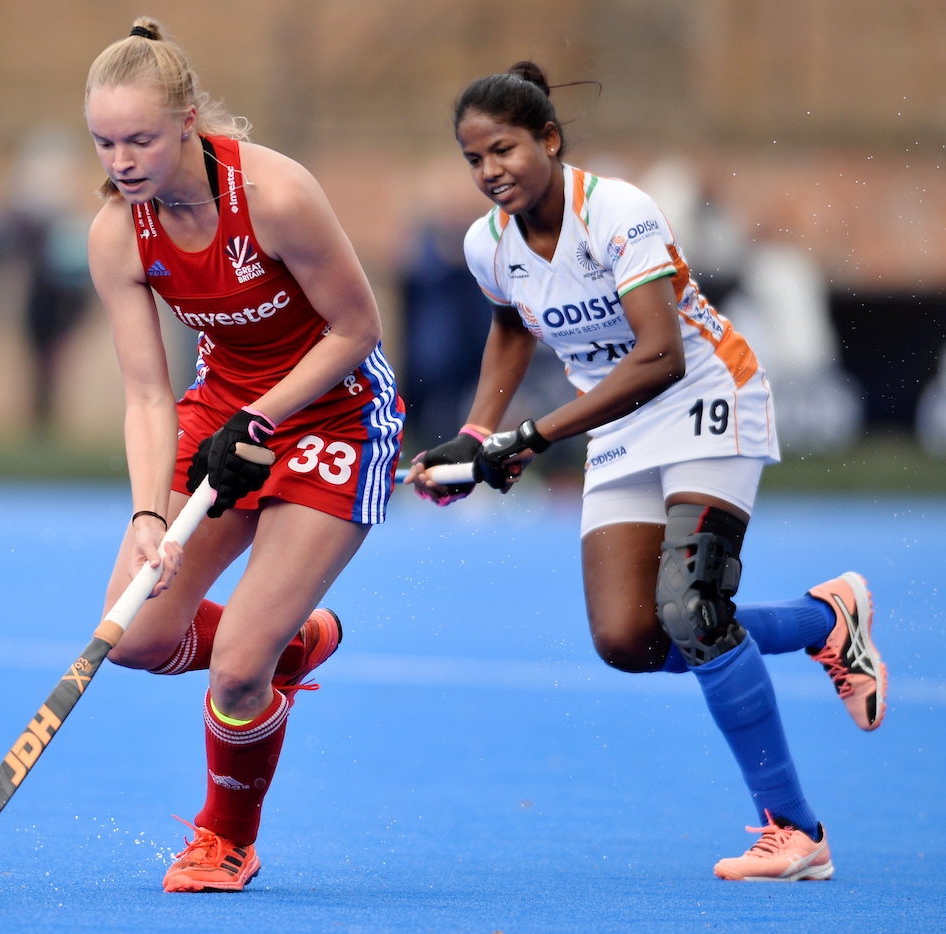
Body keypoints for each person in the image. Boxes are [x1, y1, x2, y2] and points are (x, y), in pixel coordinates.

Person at [407, 62, 885, 881]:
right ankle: (824, 622)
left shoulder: (619, 211)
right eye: (473, 158)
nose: (489, 170)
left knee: (694, 609)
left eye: (505, 149)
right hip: (618, 420)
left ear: (549, 140)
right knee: (628, 638)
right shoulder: (487, 243)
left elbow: (661, 356)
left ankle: (796, 833)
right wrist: (478, 433)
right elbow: (512, 326)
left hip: (706, 393)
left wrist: (527, 438)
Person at [84, 18, 403, 893]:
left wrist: (260, 418)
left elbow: (356, 328)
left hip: (337, 419)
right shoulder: (118, 234)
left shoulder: (276, 194)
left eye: (140, 138)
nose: (122, 160)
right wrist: (151, 513)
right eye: (105, 142)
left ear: (189, 120)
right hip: (222, 416)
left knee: (233, 671)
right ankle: (288, 647)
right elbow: (149, 395)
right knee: (136, 636)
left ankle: (226, 839)